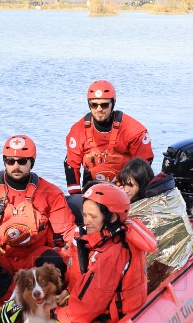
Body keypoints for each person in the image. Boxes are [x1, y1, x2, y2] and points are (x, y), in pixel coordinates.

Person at [0, 135, 77, 299]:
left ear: (32, 162)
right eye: (10, 161)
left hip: (34, 254)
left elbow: (68, 232)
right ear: (4, 162)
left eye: (22, 161)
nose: (16, 166)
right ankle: (17, 299)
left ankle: (41, 300)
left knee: (57, 267)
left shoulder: (50, 193)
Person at [54, 183, 157, 323]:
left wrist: (54, 314)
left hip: (108, 321)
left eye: (93, 216)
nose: (86, 221)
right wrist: (69, 291)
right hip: (94, 311)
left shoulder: (112, 253)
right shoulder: (105, 239)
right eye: (84, 215)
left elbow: (85, 310)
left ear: (113, 217)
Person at [64, 80, 153, 224]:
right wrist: (77, 197)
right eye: (94, 104)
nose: (99, 109)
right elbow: (71, 165)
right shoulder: (78, 130)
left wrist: (131, 196)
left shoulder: (133, 130)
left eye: (104, 104)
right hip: (93, 192)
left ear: (113, 103)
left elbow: (143, 168)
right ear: (89, 104)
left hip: (125, 192)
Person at [116, 158, 193, 292]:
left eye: (131, 185)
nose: (126, 190)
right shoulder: (146, 200)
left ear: (142, 184)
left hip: (166, 263)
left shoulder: (153, 207)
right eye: (123, 185)